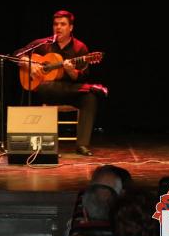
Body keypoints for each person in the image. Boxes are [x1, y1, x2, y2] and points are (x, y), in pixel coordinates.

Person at [15, 10, 103, 156]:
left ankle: (82, 145)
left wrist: (71, 71)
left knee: (90, 98)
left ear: (71, 28)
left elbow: (82, 77)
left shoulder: (80, 48)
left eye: (63, 24)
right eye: (56, 24)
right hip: (49, 92)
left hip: (70, 93)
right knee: (45, 85)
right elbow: (18, 54)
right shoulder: (44, 44)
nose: (58, 27)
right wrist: (29, 64)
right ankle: (89, 89)